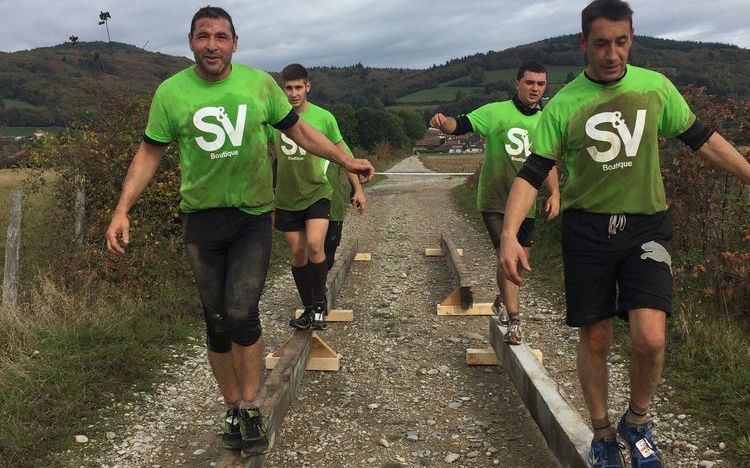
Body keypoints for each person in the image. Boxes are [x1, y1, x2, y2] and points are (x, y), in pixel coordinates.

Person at [104, 7, 374, 459]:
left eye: (220, 36)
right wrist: (121, 209)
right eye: (203, 36)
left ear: (235, 42)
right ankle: (231, 406)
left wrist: (346, 162)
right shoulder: (171, 92)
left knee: (241, 311)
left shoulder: (259, 85)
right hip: (201, 220)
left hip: (251, 216)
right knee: (216, 319)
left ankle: (249, 407)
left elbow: (301, 132)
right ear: (191, 42)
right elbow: (149, 153)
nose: (212, 44)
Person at [499, 1, 750, 467]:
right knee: (595, 338)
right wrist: (510, 235)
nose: (612, 54)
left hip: (646, 225)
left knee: (650, 337)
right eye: (601, 44)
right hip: (587, 229)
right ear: (583, 43)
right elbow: (532, 173)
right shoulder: (565, 103)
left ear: (632, 37)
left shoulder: (655, 88)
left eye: (621, 42)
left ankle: (637, 422)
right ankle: (601, 433)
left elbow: (702, 139)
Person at [429, 61, 560, 345]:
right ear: (517, 83)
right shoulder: (495, 112)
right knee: (508, 255)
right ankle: (514, 319)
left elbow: (547, 162)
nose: (535, 88)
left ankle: (502, 298)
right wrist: (443, 121)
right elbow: (460, 125)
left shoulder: (546, 121)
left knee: (519, 263)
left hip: (526, 204)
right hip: (495, 200)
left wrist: (555, 193)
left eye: (540, 84)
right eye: (529, 82)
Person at [269, 63, 366, 331]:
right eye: (288, 88)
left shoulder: (324, 118)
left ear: (308, 87)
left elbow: (343, 153)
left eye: (298, 87)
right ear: (283, 89)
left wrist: (357, 188)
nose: (293, 93)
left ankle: (320, 305)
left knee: (314, 245)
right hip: (287, 196)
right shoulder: (274, 119)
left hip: (317, 191)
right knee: (297, 252)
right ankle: (310, 308)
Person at [325, 140, 367, 270]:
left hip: (332, 204)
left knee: (328, 252)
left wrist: (357, 189)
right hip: (304, 203)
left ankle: (324, 279)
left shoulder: (333, 135)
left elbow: (349, 162)